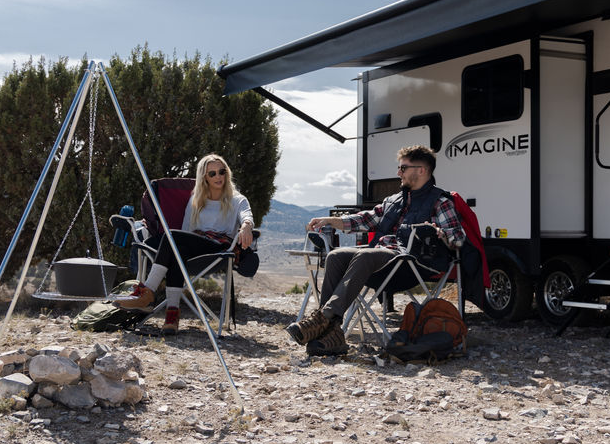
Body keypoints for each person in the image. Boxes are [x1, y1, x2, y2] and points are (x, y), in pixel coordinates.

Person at [287, 144, 465, 356]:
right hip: (379, 261)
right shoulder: (393, 201)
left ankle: (322, 318)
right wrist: (331, 220)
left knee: (365, 254)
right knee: (336, 256)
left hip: (410, 265)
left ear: (421, 170)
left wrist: (440, 234)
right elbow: (365, 219)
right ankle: (332, 335)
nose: (398, 172)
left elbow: (458, 239)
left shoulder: (440, 202)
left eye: (403, 168)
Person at [114, 154, 255, 334]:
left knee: (172, 237)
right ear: (204, 177)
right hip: (194, 245)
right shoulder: (196, 199)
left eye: (222, 172)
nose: (218, 177)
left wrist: (246, 227)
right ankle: (171, 315)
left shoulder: (237, 199)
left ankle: (147, 292)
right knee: (177, 249)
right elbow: (186, 229)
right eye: (212, 174)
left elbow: (247, 216)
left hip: (218, 248)